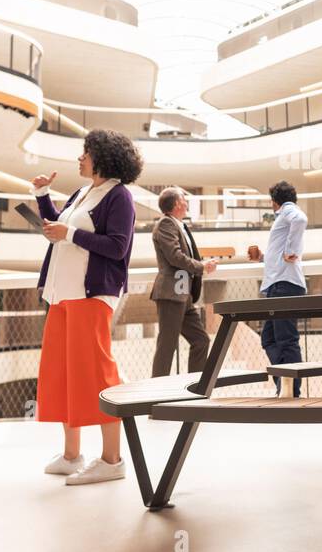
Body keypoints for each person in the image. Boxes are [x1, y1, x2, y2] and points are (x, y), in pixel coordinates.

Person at [31, 130, 142, 485]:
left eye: (86, 153)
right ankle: (71, 454)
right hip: (63, 294)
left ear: (103, 158)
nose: (80, 158)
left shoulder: (119, 196)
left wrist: (70, 235)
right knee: (63, 372)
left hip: (91, 296)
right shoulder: (82, 193)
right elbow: (60, 228)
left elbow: (117, 247)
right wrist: (42, 196)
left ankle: (112, 460)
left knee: (97, 373)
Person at [247, 181, 307, 396]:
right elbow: (280, 254)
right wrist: (262, 257)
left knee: (286, 339)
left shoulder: (288, 210)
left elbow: (301, 220)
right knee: (270, 338)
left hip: (284, 285)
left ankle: (292, 391)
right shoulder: (283, 216)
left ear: (274, 201)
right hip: (278, 284)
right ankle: (285, 384)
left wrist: (291, 249)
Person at [149, 187, 216, 378]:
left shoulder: (179, 225)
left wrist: (201, 265)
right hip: (171, 294)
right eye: (184, 199)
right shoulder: (166, 224)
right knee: (167, 346)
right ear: (177, 203)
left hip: (183, 295)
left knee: (201, 340)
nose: (187, 203)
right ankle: (155, 393)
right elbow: (174, 256)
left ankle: (194, 389)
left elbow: (183, 255)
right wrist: (201, 267)